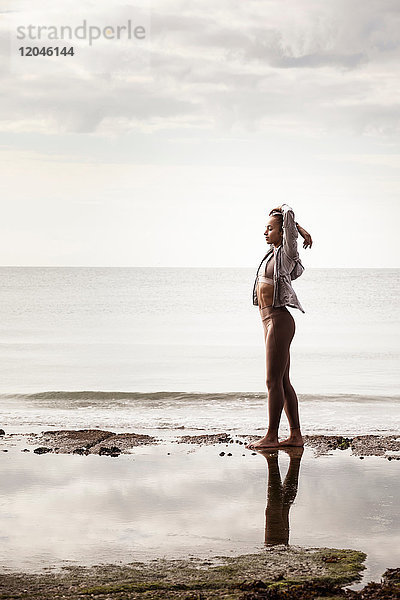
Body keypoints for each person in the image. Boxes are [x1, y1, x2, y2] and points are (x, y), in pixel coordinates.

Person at [246, 204, 312, 450]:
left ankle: (271, 436)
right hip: (268, 321)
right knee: (282, 380)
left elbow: (289, 222)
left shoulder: (285, 254)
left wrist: (285, 212)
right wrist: (298, 229)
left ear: (281, 232)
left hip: (279, 320)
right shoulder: (271, 254)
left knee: (272, 381)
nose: (265, 232)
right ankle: (295, 436)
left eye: (270, 228)